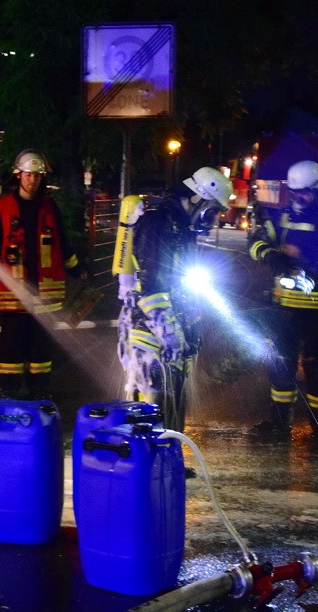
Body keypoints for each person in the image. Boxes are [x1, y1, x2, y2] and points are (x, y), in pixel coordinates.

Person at [247, 160, 318, 447]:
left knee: (315, 365)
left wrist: (307, 253)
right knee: (281, 364)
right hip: (286, 305)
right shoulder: (283, 216)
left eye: (304, 193)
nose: (298, 199)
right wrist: (270, 256)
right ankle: (278, 422)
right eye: (295, 193)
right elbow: (256, 240)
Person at [112, 166, 232, 431]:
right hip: (148, 333)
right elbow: (151, 285)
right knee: (151, 406)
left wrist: (191, 328)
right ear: (197, 198)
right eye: (211, 211)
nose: (212, 221)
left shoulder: (182, 230)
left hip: (171, 332)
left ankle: (170, 463)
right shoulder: (158, 224)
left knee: (174, 403)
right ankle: (150, 467)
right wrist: (169, 332)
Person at [0, 149, 86, 400]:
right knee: (11, 347)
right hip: (14, 294)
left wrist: (78, 269)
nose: (32, 180)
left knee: (40, 349)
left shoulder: (50, 208)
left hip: (44, 295)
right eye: (28, 175)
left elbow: (63, 243)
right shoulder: (2, 208)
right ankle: (10, 392)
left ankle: (39, 390)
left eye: (37, 175)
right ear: (18, 175)